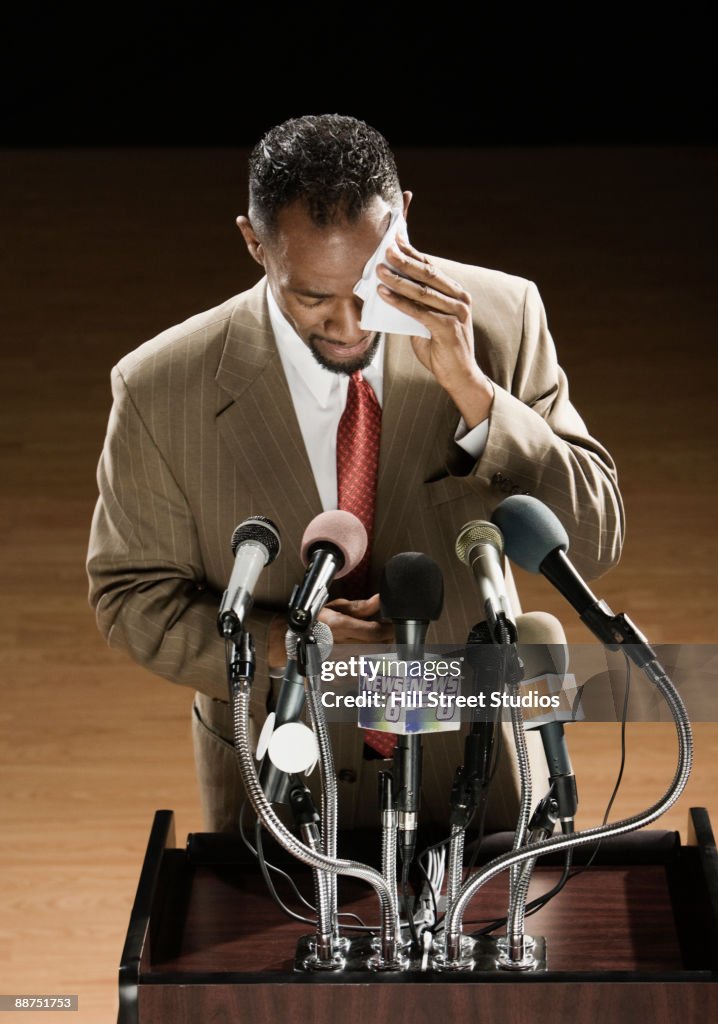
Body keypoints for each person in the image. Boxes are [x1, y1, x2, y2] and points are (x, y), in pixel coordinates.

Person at [86, 114, 624, 833]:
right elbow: (130, 600)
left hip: (472, 755)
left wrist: (475, 394)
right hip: (278, 773)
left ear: (404, 215)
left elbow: (591, 544)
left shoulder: (505, 318)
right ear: (253, 242)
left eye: (369, 285)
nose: (349, 325)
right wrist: (285, 644)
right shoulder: (158, 389)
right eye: (312, 297)